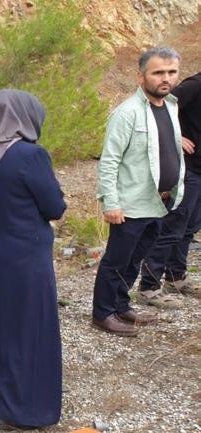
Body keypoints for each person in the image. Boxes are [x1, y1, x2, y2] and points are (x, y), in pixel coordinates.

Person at [0, 89, 66, 430]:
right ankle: (19, 411)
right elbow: (54, 207)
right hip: (25, 254)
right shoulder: (30, 155)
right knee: (28, 327)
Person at [92, 47, 185, 337]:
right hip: (130, 205)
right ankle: (103, 313)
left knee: (135, 259)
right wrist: (111, 202)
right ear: (142, 75)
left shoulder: (170, 106)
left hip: (159, 203)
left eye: (171, 72)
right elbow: (109, 161)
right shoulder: (127, 112)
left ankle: (121, 305)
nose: (165, 78)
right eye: (158, 72)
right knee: (116, 260)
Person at [139, 71, 201, 300]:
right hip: (188, 170)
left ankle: (176, 277)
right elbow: (158, 106)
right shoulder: (195, 85)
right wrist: (177, 137)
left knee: (189, 228)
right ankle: (149, 286)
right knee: (172, 228)